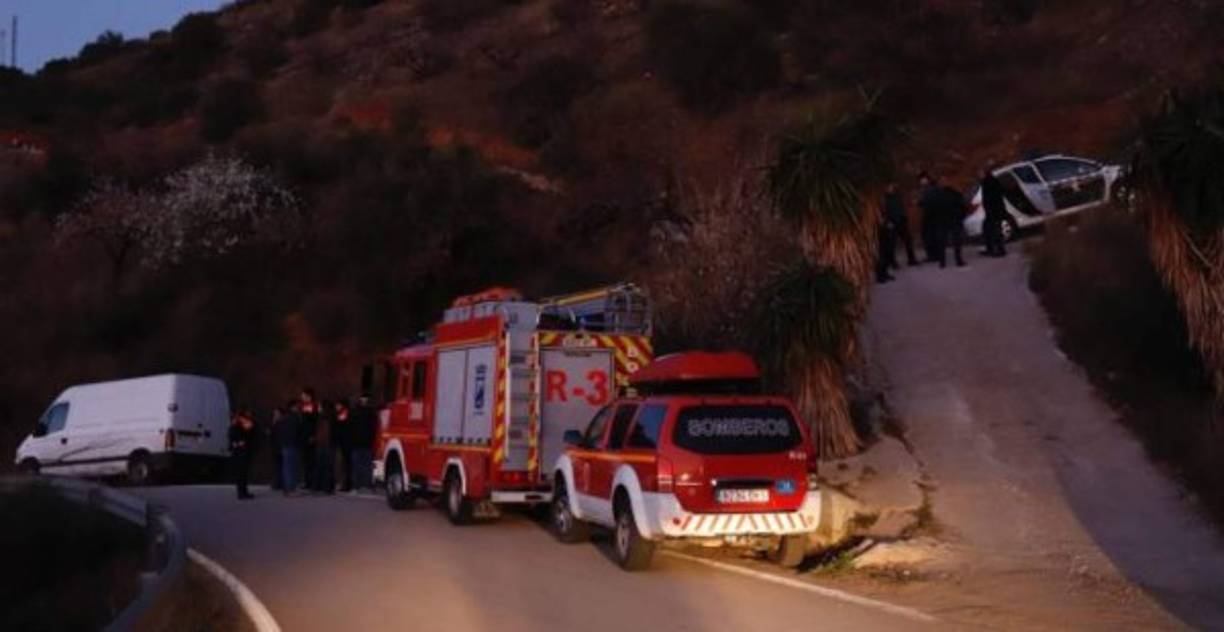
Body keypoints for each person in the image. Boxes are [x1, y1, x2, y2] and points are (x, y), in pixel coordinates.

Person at [883, 183, 918, 268]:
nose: (890, 189)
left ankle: (911, 259)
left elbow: (902, 207)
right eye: (889, 187)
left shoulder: (898, 197)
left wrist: (904, 218)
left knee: (908, 240)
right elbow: (883, 212)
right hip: (891, 223)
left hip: (901, 221)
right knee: (891, 244)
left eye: (891, 187)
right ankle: (893, 263)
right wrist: (887, 222)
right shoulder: (884, 199)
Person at [275, 400, 303, 496]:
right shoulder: (294, 418)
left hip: (285, 444)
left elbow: (280, 431)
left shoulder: (284, 418)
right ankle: (290, 488)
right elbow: (296, 432)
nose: (298, 407)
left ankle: (288, 488)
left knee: (287, 467)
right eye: (296, 406)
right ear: (292, 407)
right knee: (291, 467)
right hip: (292, 444)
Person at [980, 166, 1008, 257]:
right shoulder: (994, 181)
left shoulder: (987, 183)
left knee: (994, 230)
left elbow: (988, 198)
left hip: (992, 210)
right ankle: (993, 249)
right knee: (990, 229)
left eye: (981, 173)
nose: (980, 174)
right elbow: (1002, 192)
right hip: (996, 209)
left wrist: (988, 208)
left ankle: (999, 250)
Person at [350, 396, 377, 492]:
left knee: (359, 465)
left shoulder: (355, 412)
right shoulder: (371, 413)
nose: (364, 402)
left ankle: (358, 485)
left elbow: (351, 427)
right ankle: (365, 485)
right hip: (365, 442)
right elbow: (374, 427)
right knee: (365, 465)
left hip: (359, 442)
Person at [229, 409, 257, 500]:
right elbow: (235, 437)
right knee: (242, 473)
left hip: (240, 451)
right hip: (242, 451)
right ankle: (242, 493)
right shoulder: (238, 425)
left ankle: (243, 492)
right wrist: (238, 442)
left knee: (242, 473)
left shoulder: (236, 425)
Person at [313, 400, 336, 494]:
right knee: (327, 467)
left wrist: (318, 440)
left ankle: (322, 487)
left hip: (324, 445)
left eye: (319, 406)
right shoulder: (331, 417)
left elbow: (324, 433)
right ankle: (327, 487)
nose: (318, 408)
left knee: (322, 466)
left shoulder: (323, 418)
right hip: (327, 444)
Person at [917, 172, 941, 263]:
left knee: (928, 236)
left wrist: (919, 202)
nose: (920, 182)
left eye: (921, 180)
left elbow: (927, 201)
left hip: (930, 216)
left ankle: (932, 255)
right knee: (933, 235)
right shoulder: (933, 188)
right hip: (934, 216)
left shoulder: (929, 189)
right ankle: (935, 255)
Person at [299, 387, 319, 491]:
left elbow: (314, 422)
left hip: (310, 437)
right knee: (305, 461)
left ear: (308, 396)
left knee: (311, 461)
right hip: (303, 437)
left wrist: (313, 435)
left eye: (303, 395)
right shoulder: (302, 407)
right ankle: (307, 482)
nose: (301, 397)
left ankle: (312, 483)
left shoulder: (314, 406)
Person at [876, 196, 897, 283]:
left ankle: (885, 273)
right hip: (881, 236)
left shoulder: (886, 212)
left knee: (888, 255)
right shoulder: (876, 213)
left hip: (887, 235)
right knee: (882, 256)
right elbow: (879, 223)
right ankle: (880, 276)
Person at [334, 400, 353, 493]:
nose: (336, 407)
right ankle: (346, 484)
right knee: (346, 464)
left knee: (345, 464)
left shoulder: (344, 413)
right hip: (346, 442)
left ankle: (346, 484)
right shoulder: (346, 413)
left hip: (345, 442)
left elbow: (340, 426)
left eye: (338, 405)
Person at [267, 406, 285, 491]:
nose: (275, 415)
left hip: (281, 447)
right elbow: (271, 434)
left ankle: (280, 483)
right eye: (274, 414)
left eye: (277, 414)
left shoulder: (282, 423)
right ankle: (277, 483)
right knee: (277, 466)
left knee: (281, 465)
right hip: (274, 447)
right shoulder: (273, 423)